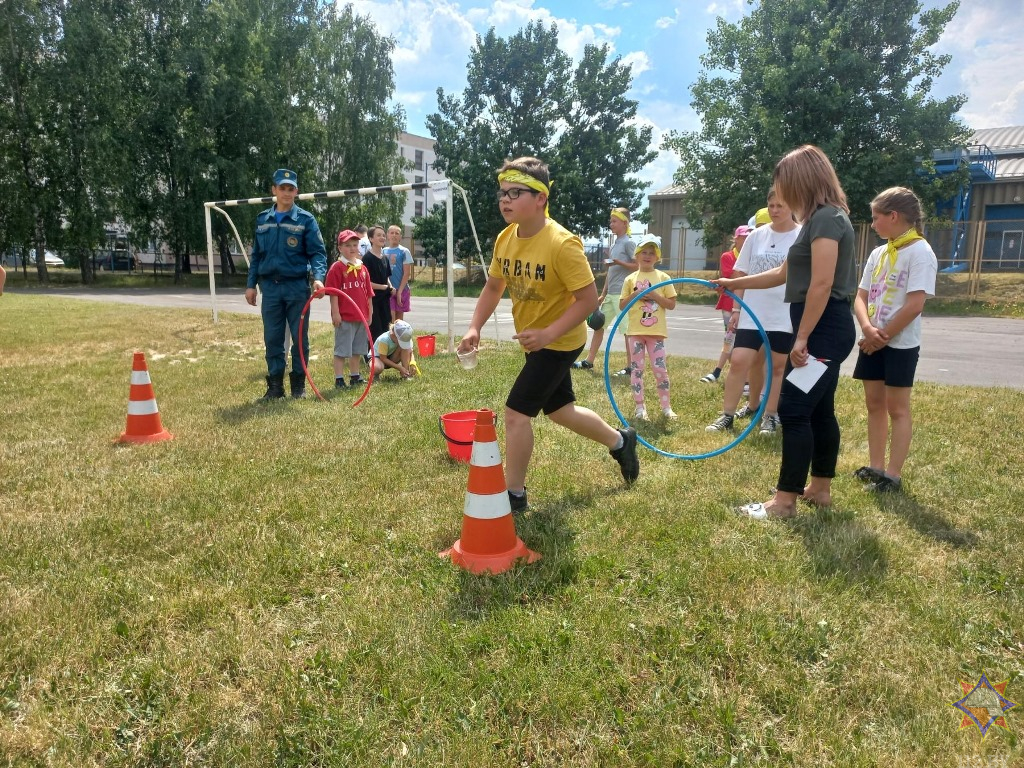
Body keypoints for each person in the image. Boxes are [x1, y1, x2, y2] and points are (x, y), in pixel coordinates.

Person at [457, 156, 640, 513]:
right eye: (502, 193)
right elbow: (494, 287)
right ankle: (620, 441)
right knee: (560, 410)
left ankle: (514, 495)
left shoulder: (562, 243)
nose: (504, 200)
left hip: (560, 342)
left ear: (541, 197)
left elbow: (588, 301)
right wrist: (474, 326)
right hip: (536, 340)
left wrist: (548, 333)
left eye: (515, 192)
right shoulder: (506, 238)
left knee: (515, 413)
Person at [717, 145, 858, 519]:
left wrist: (802, 337)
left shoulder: (826, 219)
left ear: (802, 182)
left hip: (824, 328)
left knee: (794, 409)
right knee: (819, 410)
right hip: (822, 326)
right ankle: (820, 488)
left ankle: (783, 502)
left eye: (785, 185)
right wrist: (732, 283)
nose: (782, 194)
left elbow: (822, 283)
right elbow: (784, 274)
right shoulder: (818, 220)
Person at [851, 187, 937, 493]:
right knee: (874, 404)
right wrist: (867, 328)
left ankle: (893, 474)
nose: (873, 225)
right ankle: (875, 467)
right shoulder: (878, 253)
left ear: (894, 216)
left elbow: (915, 304)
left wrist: (882, 338)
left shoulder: (920, 253)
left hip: (898, 344)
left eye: (876, 218)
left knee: (897, 408)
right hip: (872, 340)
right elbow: (861, 295)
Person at [706, 189, 800, 436]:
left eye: (780, 205)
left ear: (792, 206)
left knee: (777, 366)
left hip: (783, 314)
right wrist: (737, 308)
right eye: (771, 205)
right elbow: (740, 274)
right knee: (740, 362)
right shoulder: (756, 236)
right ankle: (728, 414)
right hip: (752, 312)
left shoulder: (801, 236)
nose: (775, 210)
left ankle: (770, 415)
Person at [245, 168, 327, 400]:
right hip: (270, 288)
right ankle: (275, 387)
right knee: (272, 338)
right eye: (282, 188)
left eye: (291, 189)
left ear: (296, 192)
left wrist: (318, 277)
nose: (286, 193)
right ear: (274, 190)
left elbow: (318, 253)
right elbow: (257, 256)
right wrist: (251, 284)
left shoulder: (305, 220)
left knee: (300, 338)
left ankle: (298, 386)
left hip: (297, 288)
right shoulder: (263, 220)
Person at [619, 234, 678, 420]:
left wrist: (654, 295)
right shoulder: (630, 279)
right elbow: (622, 305)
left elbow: (671, 304)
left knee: (660, 370)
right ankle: (639, 407)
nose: (647, 255)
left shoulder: (663, 277)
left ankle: (666, 407)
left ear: (657, 257)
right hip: (635, 333)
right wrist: (636, 295)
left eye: (652, 252)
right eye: (643, 252)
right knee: (637, 369)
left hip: (656, 333)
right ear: (636, 255)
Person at [573, 207, 637, 371]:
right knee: (598, 326)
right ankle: (589, 361)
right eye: (610, 221)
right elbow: (611, 271)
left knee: (626, 331)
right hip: (611, 295)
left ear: (624, 222)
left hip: (623, 295)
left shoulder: (629, 243)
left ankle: (631, 367)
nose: (611, 224)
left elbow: (637, 266)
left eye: (614, 221)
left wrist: (617, 262)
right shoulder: (615, 244)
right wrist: (603, 294)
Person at [700, 225, 749, 384]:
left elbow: (738, 279)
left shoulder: (752, 256)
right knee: (730, 338)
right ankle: (719, 372)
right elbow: (732, 278)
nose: (747, 240)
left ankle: (733, 375)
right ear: (736, 239)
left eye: (749, 237)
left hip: (749, 305)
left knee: (742, 341)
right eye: (743, 237)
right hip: (730, 305)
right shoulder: (728, 256)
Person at [325, 230, 373, 388]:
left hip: (361, 316)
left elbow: (368, 294)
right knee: (342, 350)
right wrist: (336, 313)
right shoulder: (337, 268)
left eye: (355, 244)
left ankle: (355, 376)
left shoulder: (363, 268)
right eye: (347, 245)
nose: (352, 248)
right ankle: (339, 379)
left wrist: (369, 313)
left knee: (357, 349)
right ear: (340, 248)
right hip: (345, 316)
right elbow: (333, 293)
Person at [362, 225, 393, 344]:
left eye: (383, 235)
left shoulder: (385, 258)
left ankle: (385, 354)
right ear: (371, 239)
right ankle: (372, 356)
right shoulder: (367, 259)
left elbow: (387, 278)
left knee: (386, 326)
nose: (382, 237)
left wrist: (390, 286)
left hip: (385, 299)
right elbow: (366, 283)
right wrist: (382, 287)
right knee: (376, 328)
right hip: (372, 300)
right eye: (378, 235)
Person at [383, 225, 413, 321]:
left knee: (399, 322)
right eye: (392, 233)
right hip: (389, 290)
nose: (394, 235)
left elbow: (406, 273)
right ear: (387, 235)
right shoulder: (383, 251)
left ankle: (399, 336)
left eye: (397, 233)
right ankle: (390, 336)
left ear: (400, 237)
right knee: (390, 318)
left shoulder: (404, 251)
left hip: (402, 289)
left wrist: (399, 291)